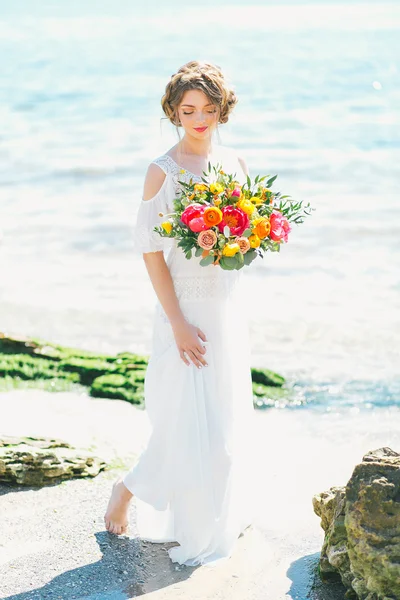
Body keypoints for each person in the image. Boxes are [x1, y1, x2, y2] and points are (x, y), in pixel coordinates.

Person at [104, 60, 258, 567]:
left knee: (224, 426)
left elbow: (248, 230)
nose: (198, 118)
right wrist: (176, 323)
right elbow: (151, 250)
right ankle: (128, 489)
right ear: (173, 110)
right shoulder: (162, 170)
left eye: (209, 109)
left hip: (225, 306)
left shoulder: (234, 162)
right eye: (188, 109)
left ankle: (214, 515)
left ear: (222, 111)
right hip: (184, 310)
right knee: (184, 423)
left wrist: (244, 239)